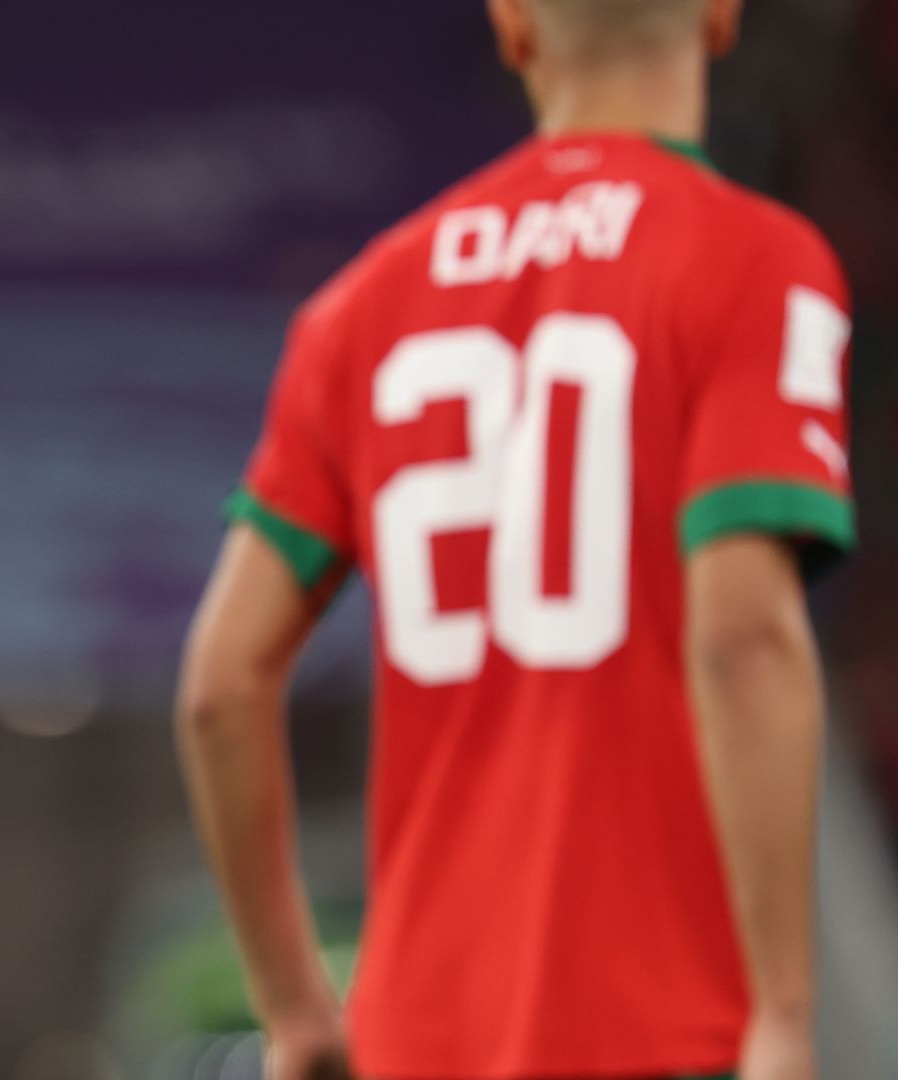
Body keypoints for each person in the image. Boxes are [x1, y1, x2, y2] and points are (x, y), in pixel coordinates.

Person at [175, 2, 850, 1078]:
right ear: (722, 16)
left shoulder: (361, 304)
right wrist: (785, 1012)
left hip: (419, 1038)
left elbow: (220, 686)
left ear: (512, 27)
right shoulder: (754, 257)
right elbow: (744, 639)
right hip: (664, 1033)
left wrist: (296, 1008)